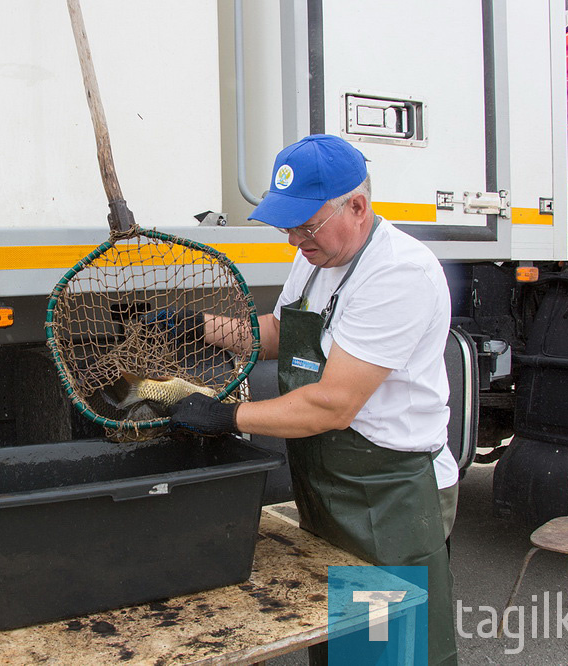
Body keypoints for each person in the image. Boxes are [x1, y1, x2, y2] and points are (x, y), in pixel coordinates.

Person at [168, 134, 458, 665]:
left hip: (388, 494)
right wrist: (199, 328)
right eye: (287, 225)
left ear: (358, 206)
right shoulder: (318, 255)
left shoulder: (398, 273)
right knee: (341, 641)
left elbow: (332, 404)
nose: (294, 239)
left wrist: (227, 416)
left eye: (306, 224)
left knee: (388, 649)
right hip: (330, 480)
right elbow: (285, 330)